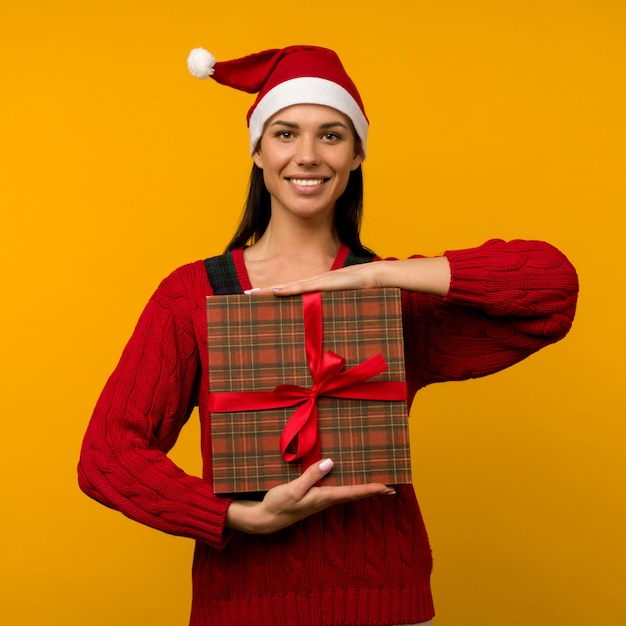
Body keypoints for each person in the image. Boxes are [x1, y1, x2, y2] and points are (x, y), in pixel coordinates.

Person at [78, 45, 579, 626]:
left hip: (386, 601)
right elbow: (106, 456)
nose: (308, 156)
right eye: (286, 134)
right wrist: (239, 518)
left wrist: (379, 272)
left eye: (332, 135)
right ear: (258, 150)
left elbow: (552, 291)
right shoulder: (193, 294)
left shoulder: (394, 298)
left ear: (358, 153)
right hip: (243, 603)